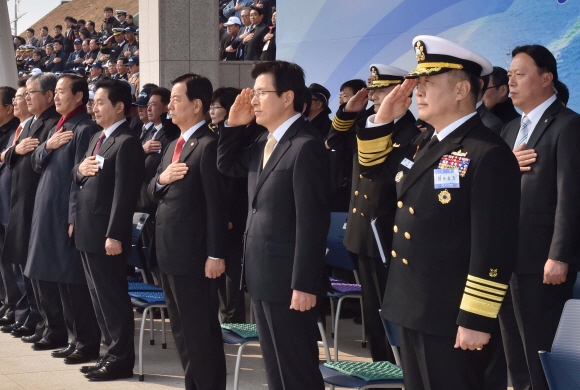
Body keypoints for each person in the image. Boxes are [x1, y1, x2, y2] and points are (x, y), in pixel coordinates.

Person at [377, 36, 520, 390]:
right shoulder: (427, 141)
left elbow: (493, 245)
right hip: (413, 304)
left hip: (452, 315)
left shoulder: (487, 152)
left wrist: (476, 317)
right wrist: (382, 121)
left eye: (428, 83)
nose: (418, 92)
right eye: (418, 84)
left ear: (461, 90)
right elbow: (373, 181)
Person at [218, 61, 329, 389]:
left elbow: (312, 221)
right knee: (276, 366)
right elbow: (227, 166)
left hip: (290, 281)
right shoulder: (263, 143)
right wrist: (233, 126)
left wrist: (305, 283)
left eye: (261, 93)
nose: (253, 100)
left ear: (287, 97)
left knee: (297, 367)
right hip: (262, 274)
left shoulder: (305, 145)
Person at [500, 44, 580, 390]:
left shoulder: (568, 125)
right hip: (505, 259)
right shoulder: (509, 130)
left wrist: (559, 255)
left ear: (546, 79)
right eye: (509, 75)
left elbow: (571, 196)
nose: (511, 82)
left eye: (520, 74)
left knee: (540, 353)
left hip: (542, 263)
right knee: (514, 354)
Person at [334, 64, 421, 363]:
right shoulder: (368, 125)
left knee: (391, 308)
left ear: (403, 96)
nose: (374, 99)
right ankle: (380, 365)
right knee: (373, 311)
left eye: (382, 92)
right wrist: (346, 113)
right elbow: (334, 146)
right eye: (373, 92)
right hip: (364, 232)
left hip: (388, 234)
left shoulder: (414, 134)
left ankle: (397, 366)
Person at [149, 74, 228, 390]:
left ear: (197, 105)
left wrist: (215, 253)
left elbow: (217, 206)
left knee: (200, 332)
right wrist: (162, 179)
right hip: (169, 253)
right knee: (181, 330)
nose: (169, 106)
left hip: (195, 257)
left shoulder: (209, 145)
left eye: (175, 99)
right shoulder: (172, 146)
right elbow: (151, 190)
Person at [25, 74, 101, 364]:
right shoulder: (59, 127)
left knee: (73, 280)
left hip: (64, 214)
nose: (56, 97)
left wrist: (73, 216)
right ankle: (73, 338)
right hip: (48, 211)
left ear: (79, 96)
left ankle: (86, 342)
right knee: (59, 279)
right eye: (54, 92)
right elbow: (35, 162)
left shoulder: (84, 128)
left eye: (61, 92)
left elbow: (80, 177)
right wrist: (49, 146)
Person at [73, 78, 144, 381]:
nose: (94, 107)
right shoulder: (97, 138)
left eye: (100, 102)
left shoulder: (127, 142)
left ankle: (120, 359)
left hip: (106, 234)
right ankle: (109, 353)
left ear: (119, 106)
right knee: (97, 297)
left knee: (112, 298)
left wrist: (115, 234)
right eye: (93, 101)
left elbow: (124, 194)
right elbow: (84, 178)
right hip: (88, 230)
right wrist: (79, 171)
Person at [1, 74, 63, 348]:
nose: (25, 99)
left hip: (38, 206)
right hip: (20, 203)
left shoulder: (51, 124)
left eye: (30, 94)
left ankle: (46, 324)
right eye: (22, 96)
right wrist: (15, 150)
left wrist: (16, 152)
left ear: (48, 96)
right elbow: (12, 156)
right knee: (24, 266)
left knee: (37, 270)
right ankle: (38, 322)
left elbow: (36, 159)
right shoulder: (31, 125)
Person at [0, 83, 42, 340]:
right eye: (17, 98)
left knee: (20, 264)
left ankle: (26, 313)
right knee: (8, 263)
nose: (19, 102)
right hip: (7, 204)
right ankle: (13, 307)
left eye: (23, 97)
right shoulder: (18, 130)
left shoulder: (32, 129)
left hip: (20, 206)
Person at [209, 87, 253, 324]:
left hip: (236, 214)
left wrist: (225, 214)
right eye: (211, 106)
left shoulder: (245, 136)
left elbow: (230, 178)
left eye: (217, 106)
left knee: (232, 273)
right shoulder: (214, 134)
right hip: (220, 214)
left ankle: (233, 320)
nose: (212, 111)